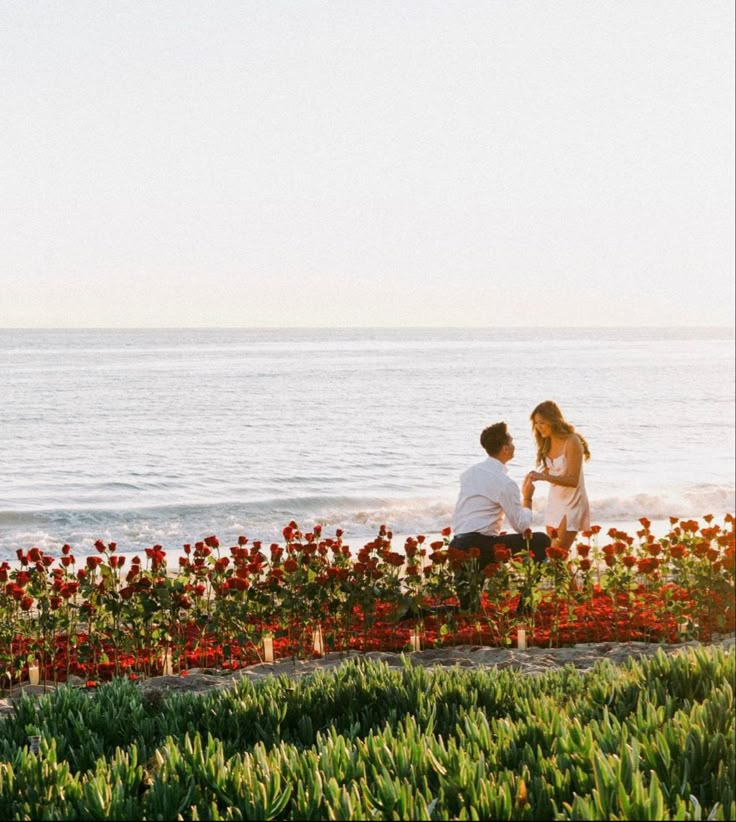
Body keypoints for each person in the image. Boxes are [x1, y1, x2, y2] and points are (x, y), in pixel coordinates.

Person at [449, 422, 551, 608]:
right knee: (541, 540)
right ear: (505, 449)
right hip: (480, 547)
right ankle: (525, 606)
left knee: (469, 610)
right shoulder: (505, 483)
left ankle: (418, 613)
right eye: (511, 442)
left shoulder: (469, 473)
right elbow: (521, 526)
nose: (514, 446)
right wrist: (527, 498)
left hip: (457, 545)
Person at [527, 400, 591, 550]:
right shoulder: (546, 442)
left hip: (572, 502)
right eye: (536, 423)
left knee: (558, 553)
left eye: (542, 422)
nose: (538, 427)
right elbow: (554, 470)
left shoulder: (572, 441)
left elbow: (573, 480)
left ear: (553, 420)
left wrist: (544, 477)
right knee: (551, 552)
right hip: (555, 501)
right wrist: (535, 476)